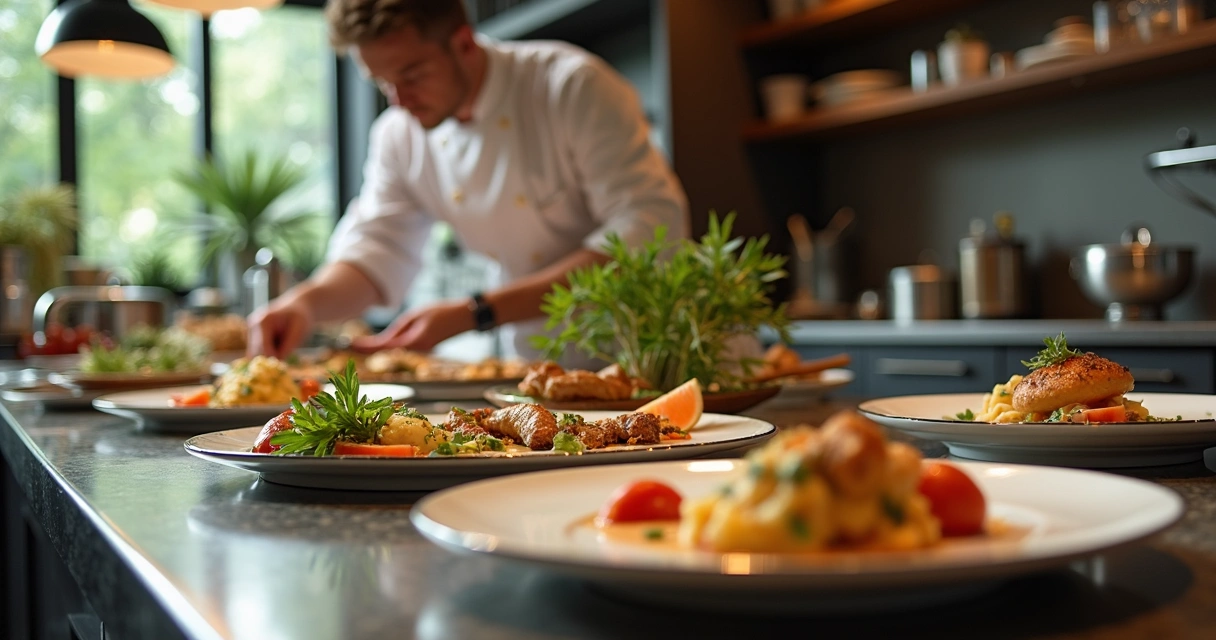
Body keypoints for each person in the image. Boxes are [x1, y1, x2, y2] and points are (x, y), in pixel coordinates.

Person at [248, 0, 689, 360]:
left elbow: (648, 233)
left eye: (413, 75)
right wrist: (303, 304)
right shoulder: (399, 135)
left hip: (652, 351)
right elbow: (376, 250)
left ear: (463, 43)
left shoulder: (569, 86)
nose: (400, 100)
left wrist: (478, 312)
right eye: (383, 83)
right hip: (541, 365)